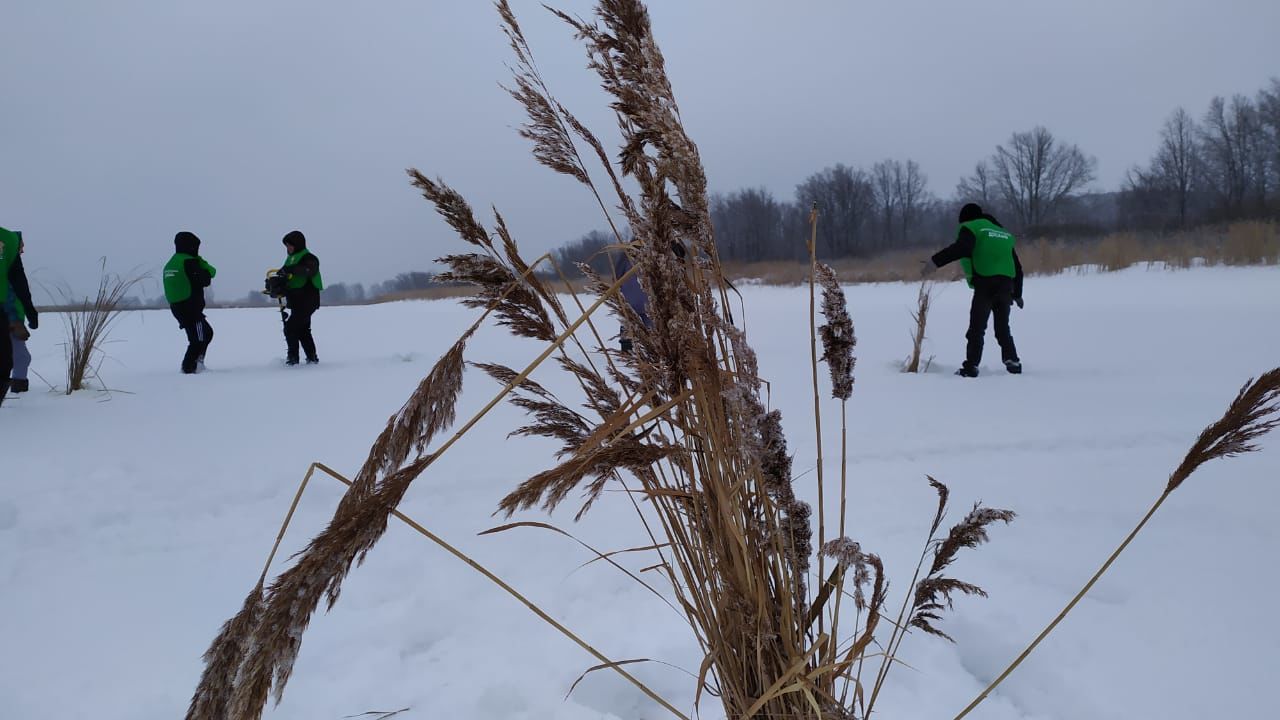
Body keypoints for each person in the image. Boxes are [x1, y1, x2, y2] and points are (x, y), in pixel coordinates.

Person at [921, 202, 1023, 378]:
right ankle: (1012, 362)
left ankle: (971, 367)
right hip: (1006, 284)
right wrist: (1018, 293)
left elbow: (962, 248)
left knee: (977, 328)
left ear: (965, 219)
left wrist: (934, 262)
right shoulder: (1004, 234)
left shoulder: (972, 228)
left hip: (986, 282)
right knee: (1002, 328)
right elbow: (1017, 266)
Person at [163, 231, 217, 374]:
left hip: (178, 308)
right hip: (191, 309)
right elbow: (207, 277)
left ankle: (197, 364)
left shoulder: (172, 262)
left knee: (206, 333)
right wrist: (201, 263)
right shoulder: (189, 261)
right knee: (199, 338)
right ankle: (189, 368)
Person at [0, 228, 37, 405]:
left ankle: (18, 386)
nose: (23, 249)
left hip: (14, 319)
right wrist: (14, 320)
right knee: (20, 356)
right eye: (21, 245)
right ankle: (17, 390)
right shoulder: (7, 270)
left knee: (19, 356)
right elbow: (8, 296)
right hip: (10, 319)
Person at [275, 230, 322, 365]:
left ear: (298, 244)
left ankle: (293, 359)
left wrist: (290, 270)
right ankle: (312, 358)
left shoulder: (310, 258)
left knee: (290, 327)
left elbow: (308, 270)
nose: (288, 248)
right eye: (287, 246)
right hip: (296, 301)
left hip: (308, 300)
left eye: (290, 245)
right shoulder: (290, 260)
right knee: (302, 330)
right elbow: (284, 277)